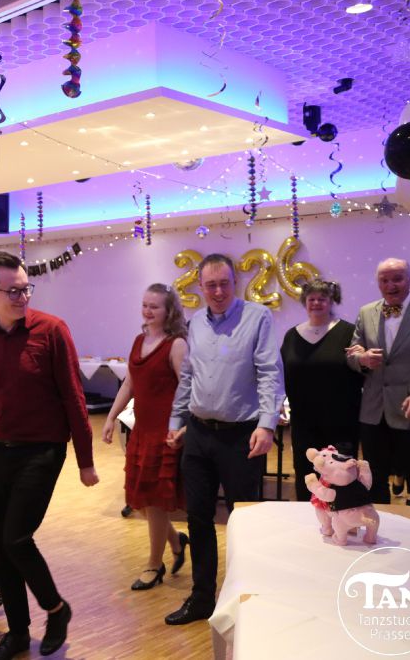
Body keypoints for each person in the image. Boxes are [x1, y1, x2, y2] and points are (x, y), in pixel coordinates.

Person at [0, 252, 99, 660]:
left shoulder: (51, 330)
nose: (23, 297)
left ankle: (56, 608)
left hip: (43, 450)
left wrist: (85, 461)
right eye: (13, 291)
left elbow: (73, 397)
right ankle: (17, 633)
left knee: (16, 538)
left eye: (25, 289)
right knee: (2, 547)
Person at [165, 253, 284, 625]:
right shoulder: (195, 323)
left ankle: (245, 598)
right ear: (201, 287)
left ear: (235, 282)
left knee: (244, 521)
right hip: (198, 434)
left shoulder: (258, 317)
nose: (218, 291)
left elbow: (269, 372)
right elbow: (189, 376)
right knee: (198, 519)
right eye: (211, 285)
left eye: (224, 283)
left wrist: (267, 425)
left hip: (241, 436)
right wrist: (176, 420)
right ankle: (202, 598)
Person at [346, 258, 410, 532]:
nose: (390, 285)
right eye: (384, 280)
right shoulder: (366, 311)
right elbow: (352, 353)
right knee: (373, 476)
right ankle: (379, 531)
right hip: (373, 410)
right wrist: (362, 359)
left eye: (397, 278)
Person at [102, 284, 189, 591]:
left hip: (164, 433)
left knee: (155, 502)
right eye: (145, 305)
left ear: (169, 310)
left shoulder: (176, 344)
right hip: (142, 430)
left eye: (155, 306)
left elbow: (186, 388)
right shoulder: (140, 340)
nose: (148, 311)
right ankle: (176, 541)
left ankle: (154, 564)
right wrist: (111, 417)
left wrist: (182, 427)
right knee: (142, 500)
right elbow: (130, 383)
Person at [280, 280, 362, 501]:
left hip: (341, 422)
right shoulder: (292, 336)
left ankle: (343, 520)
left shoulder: (348, 332)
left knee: (341, 476)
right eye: (311, 299)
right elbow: (283, 373)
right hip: (303, 423)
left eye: (322, 299)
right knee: (306, 475)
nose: (316, 303)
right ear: (304, 302)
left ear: (331, 301)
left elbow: (360, 370)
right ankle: (308, 518)